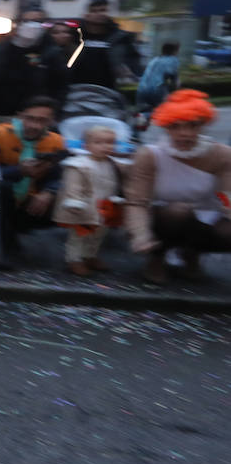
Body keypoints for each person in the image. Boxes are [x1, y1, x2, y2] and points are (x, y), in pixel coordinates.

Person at [124, 90, 231, 285]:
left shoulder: (222, 155)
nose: (185, 133)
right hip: (161, 216)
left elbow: (227, 196)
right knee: (178, 212)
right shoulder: (149, 155)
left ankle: (192, 252)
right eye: (175, 126)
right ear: (166, 127)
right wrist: (140, 235)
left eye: (193, 125)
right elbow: (137, 201)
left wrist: (228, 209)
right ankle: (157, 257)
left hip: (204, 218)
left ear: (203, 125)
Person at [0, 96, 68, 268]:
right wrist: (18, 171)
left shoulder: (56, 142)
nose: (34, 125)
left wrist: (49, 192)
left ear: (51, 121)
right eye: (30, 118)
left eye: (42, 121)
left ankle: (17, 228)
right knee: (1, 190)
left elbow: (59, 176)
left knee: (67, 198)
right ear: (20, 116)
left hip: (30, 197)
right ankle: (1, 247)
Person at [54, 125, 126, 277]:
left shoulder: (112, 164)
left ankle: (90, 255)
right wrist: (74, 201)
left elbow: (117, 181)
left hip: (106, 205)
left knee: (99, 233)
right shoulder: (78, 164)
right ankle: (74, 259)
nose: (105, 146)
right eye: (98, 142)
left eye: (109, 142)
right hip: (85, 206)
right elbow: (73, 185)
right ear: (86, 145)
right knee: (80, 234)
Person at [0, 17, 65, 117]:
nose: (31, 26)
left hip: (37, 112)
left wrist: (54, 110)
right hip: (1, 110)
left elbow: (60, 84)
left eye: (36, 21)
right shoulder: (0, 51)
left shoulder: (50, 53)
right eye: (26, 21)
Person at [65, 0, 137, 90]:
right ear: (86, 15)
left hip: (109, 92)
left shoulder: (121, 38)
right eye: (94, 11)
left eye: (103, 10)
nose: (99, 14)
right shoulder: (75, 36)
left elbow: (133, 63)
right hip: (75, 90)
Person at [136, 42, 181, 115]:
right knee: (161, 114)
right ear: (174, 51)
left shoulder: (154, 59)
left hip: (141, 89)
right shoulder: (173, 60)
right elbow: (175, 82)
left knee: (143, 114)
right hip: (157, 90)